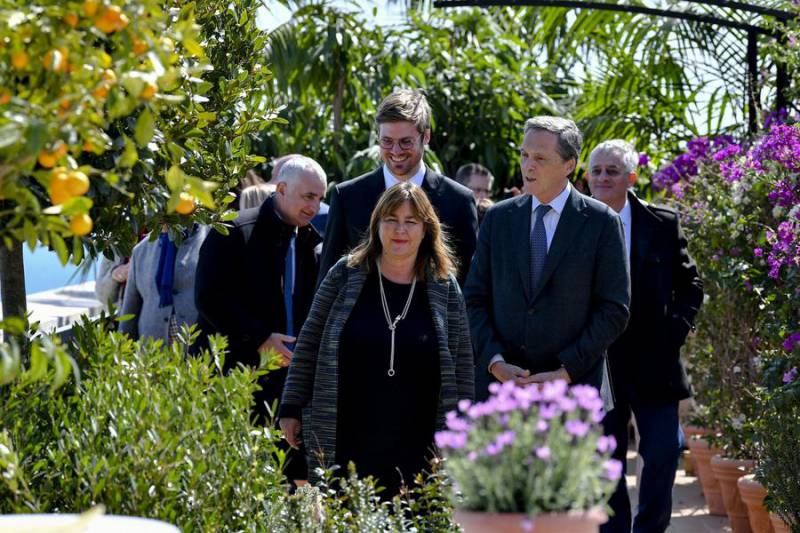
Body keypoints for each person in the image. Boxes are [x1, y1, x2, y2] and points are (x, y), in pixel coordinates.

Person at [279, 182, 474, 496]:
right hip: (347, 433)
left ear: (426, 229)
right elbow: (310, 342)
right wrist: (290, 407)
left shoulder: (443, 285)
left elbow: (462, 362)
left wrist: (462, 429)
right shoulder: (345, 274)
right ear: (376, 224)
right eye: (390, 219)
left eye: (411, 222)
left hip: (418, 441)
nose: (400, 230)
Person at [463, 116, 630, 402]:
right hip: (500, 391)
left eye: (540, 157)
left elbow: (614, 309)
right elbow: (474, 299)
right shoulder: (498, 218)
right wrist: (496, 362)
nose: (528, 166)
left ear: (569, 164)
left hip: (573, 392)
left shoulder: (602, 222)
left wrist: (564, 372)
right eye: (524, 155)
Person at [587, 139, 703, 533]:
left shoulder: (662, 223)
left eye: (611, 171)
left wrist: (675, 332)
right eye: (596, 170)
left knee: (663, 452)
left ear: (631, 178)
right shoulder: (575, 226)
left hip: (656, 364)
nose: (602, 177)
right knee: (606, 462)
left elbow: (692, 286)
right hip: (599, 365)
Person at [193, 155, 326, 484]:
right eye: (308, 196)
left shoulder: (312, 243)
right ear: (281, 188)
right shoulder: (236, 230)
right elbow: (209, 298)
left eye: (320, 198)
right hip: (232, 380)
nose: (314, 206)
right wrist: (261, 337)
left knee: (287, 484)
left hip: (286, 387)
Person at [318, 89, 478, 286]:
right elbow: (328, 281)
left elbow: (469, 284)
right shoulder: (348, 197)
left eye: (405, 142)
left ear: (426, 136)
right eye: (387, 141)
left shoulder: (458, 201)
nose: (395, 151)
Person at [119, 224, 209, 343]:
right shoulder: (141, 250)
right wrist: (123, 352)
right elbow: (130, 311)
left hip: (198, 350)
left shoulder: (210, 239)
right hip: (152, 353)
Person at [271, 154, 328, 236]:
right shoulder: (247, 233)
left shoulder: (314, 241)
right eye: (309, 197)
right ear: (282, 190)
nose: (316, 208)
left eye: (320, 200)